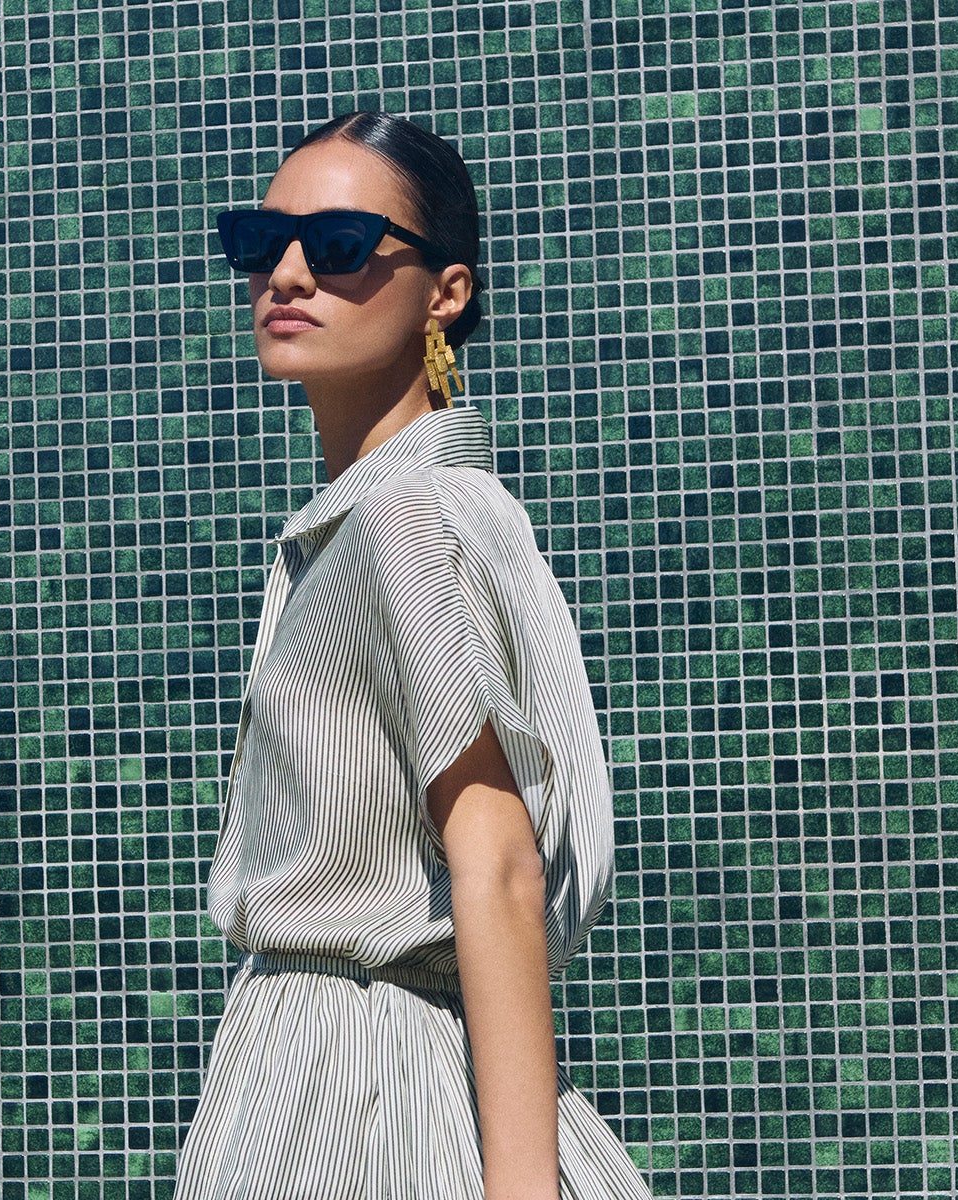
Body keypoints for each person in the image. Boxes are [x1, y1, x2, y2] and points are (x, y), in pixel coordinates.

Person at [173, 111, 651, 1200]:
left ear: (446, 292)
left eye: (340, 243)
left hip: (356, 1097)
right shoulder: (374, 524)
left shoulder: (408, 521)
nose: (288, 273)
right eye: (261, 240)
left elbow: (498, 866)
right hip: (317, 1082)